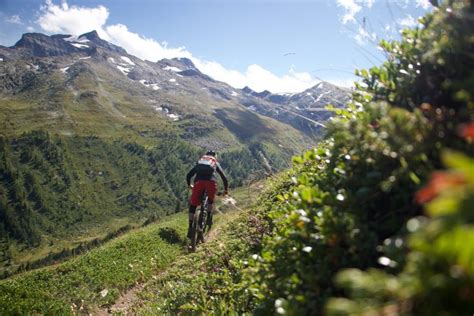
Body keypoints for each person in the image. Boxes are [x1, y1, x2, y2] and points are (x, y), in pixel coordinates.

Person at [186, 150, 228, 238]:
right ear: (215, 156)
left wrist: (189, 184)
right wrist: (225, 189)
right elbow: (223, 177)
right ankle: (209, 218)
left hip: (198, 182)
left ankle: (190, 227)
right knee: (210, 200)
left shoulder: (201, 161)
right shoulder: (214, 162)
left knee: (193, 205)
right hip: (210, 182)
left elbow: (189, 174)